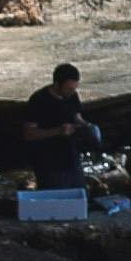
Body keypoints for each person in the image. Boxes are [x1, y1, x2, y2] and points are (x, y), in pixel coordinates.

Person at [18, 64, 99, 192]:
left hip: (71, 156)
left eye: (74, 88)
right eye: (68, 88)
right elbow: (28, 133)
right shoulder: (38, 100)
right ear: (56, 84)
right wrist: (58, 131)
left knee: (79, 193)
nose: (72, 92)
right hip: (48, 160)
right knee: (57, 197)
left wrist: (86, 126)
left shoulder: (72, 96)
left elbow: (76, 116)